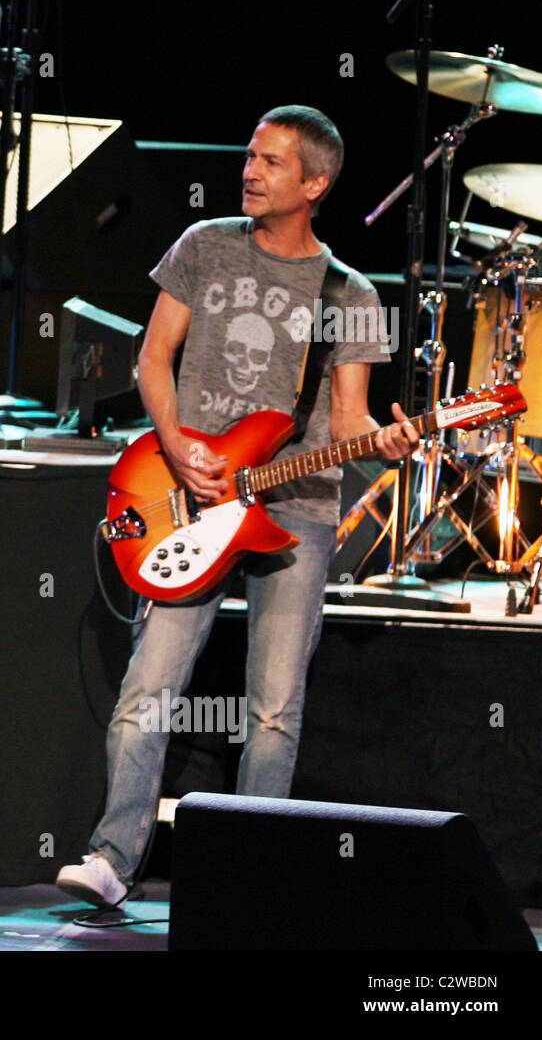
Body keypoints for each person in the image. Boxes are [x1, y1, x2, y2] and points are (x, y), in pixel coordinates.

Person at [56, 105, 419, 908]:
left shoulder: (350, 295)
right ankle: (113, 857)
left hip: (298, 512)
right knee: (148, 686)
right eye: (249, 157)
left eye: (271, 163)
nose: (249, 171)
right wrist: (178, 445)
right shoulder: (204, 246)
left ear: (315, 184)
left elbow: (352, 421)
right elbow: (153, 360)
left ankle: (247, 876)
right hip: (188, 493)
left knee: (275, 709)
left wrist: (387, 443)